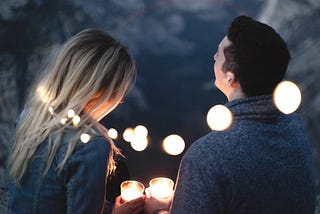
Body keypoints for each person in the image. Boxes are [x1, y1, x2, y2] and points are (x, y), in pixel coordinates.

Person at [145, 15, 316, 214]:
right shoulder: (295, 129)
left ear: (230, 78)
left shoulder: (207, 156)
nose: (214, 57)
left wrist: (159, 211)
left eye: (218, 54)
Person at [7, 29, 145, 214]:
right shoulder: (91, 145)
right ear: (99, 90)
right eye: (118, 92)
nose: (119, 101)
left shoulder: (29, 116)